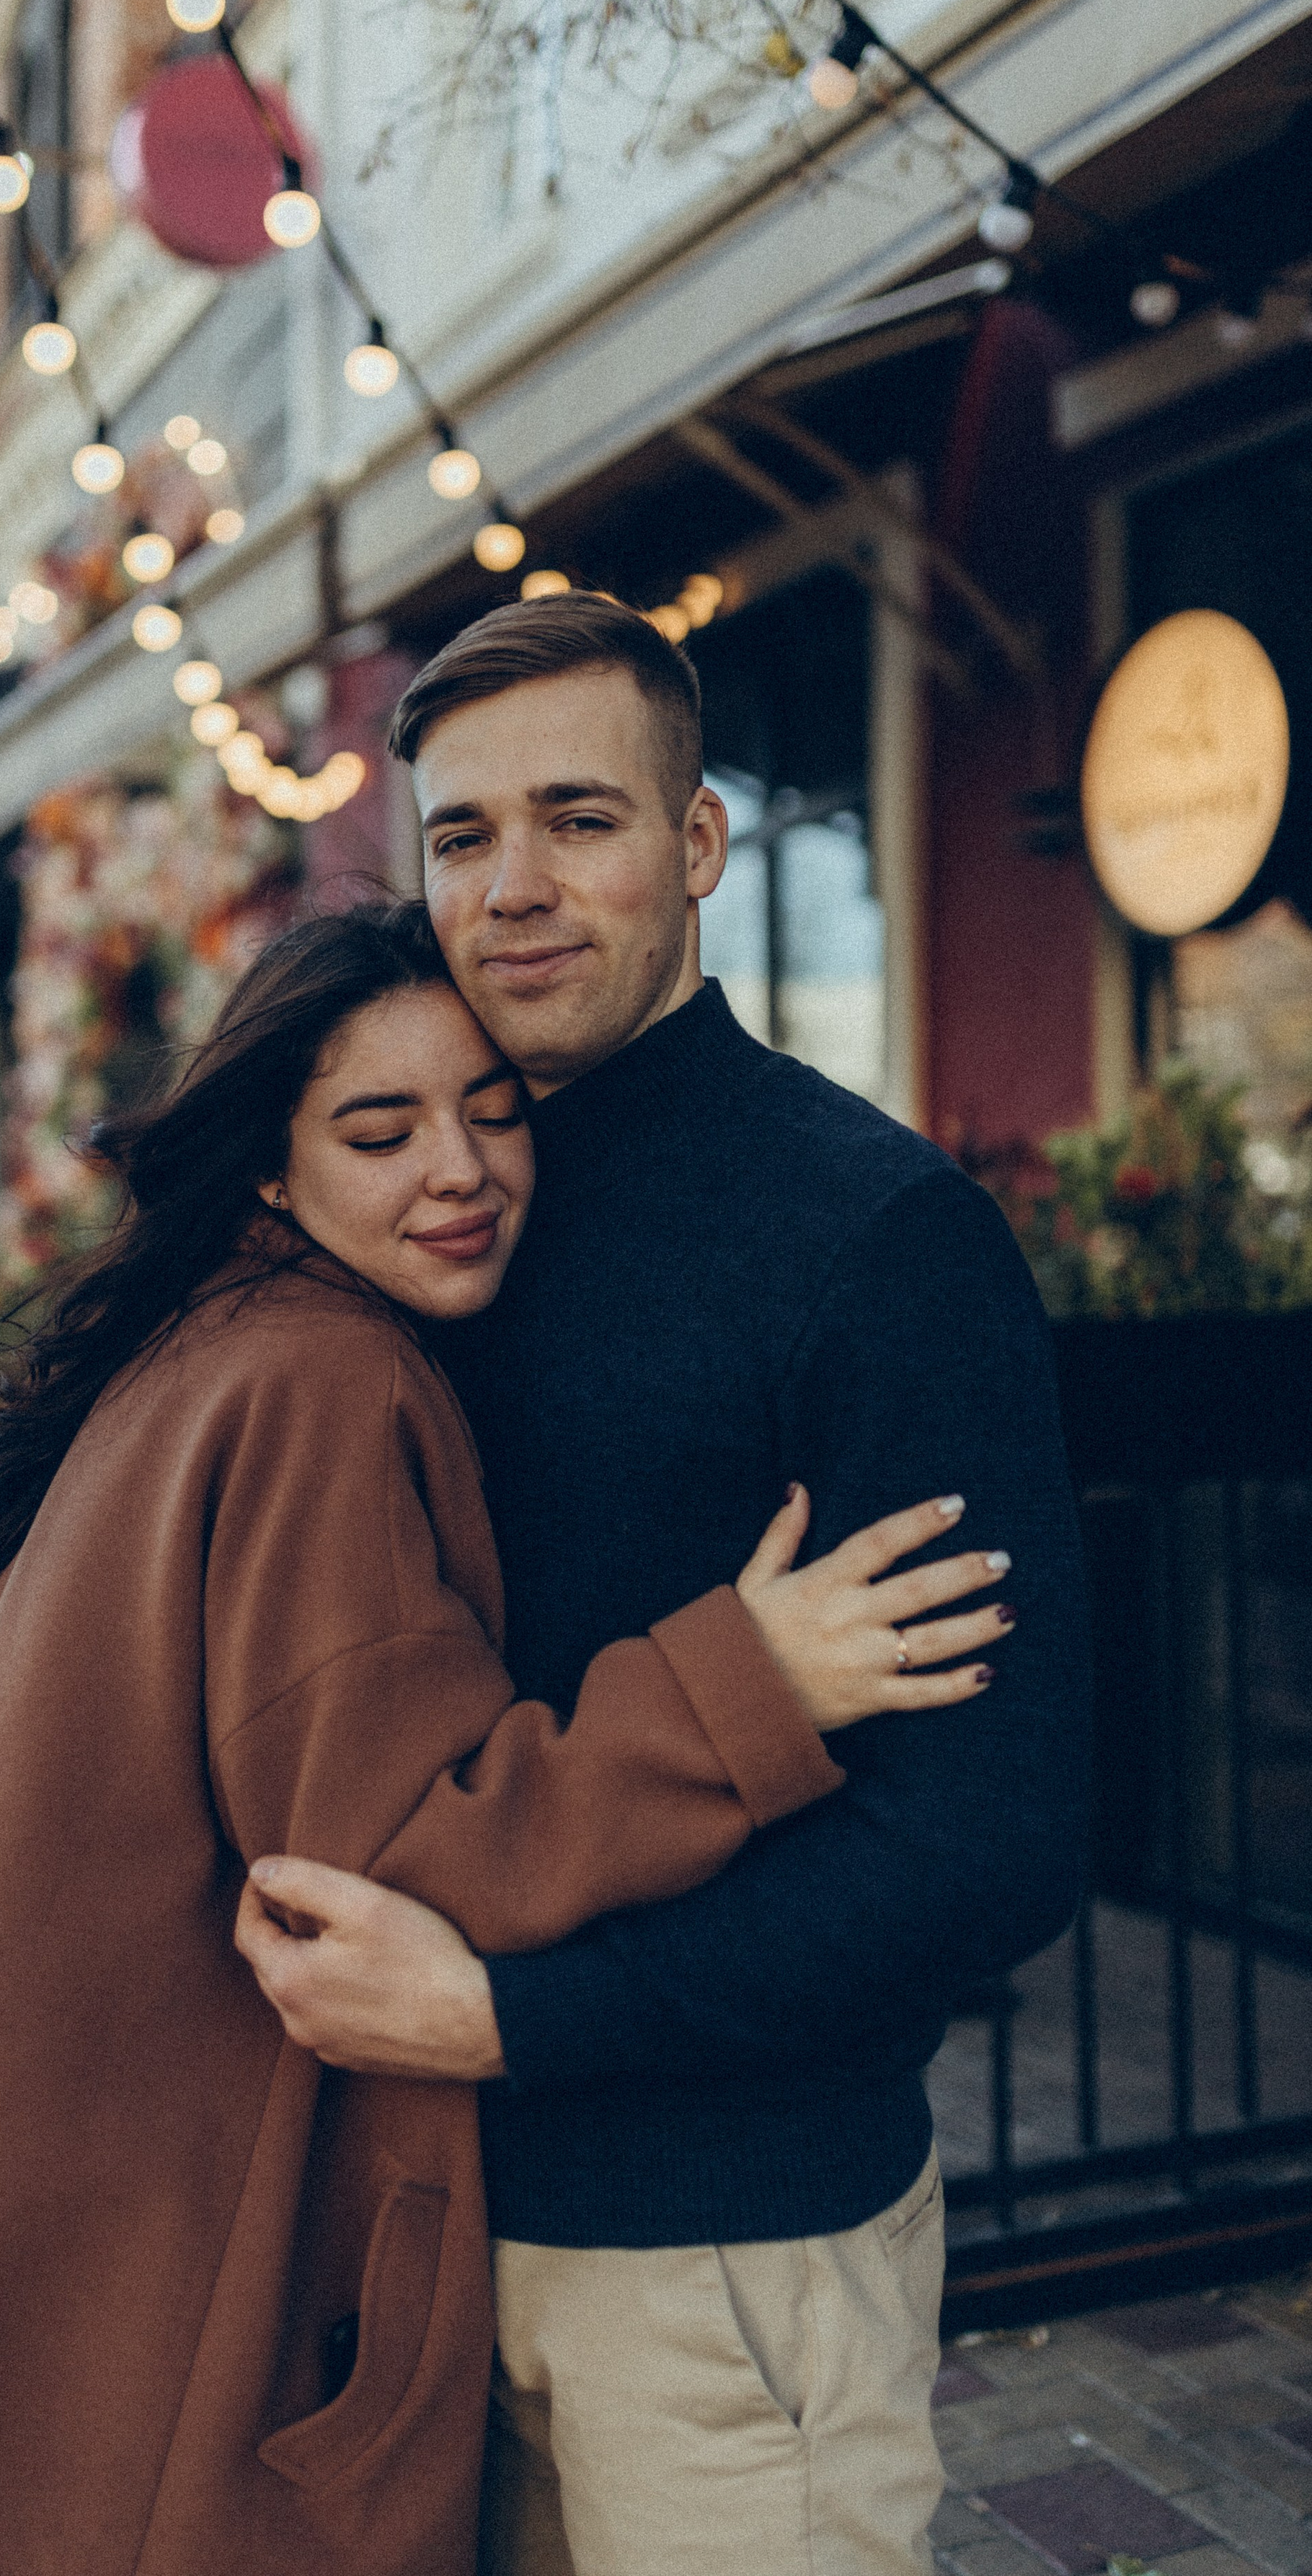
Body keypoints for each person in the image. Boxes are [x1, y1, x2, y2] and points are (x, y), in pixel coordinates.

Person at [0, 905, 1011, 2576]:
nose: (457, 1168)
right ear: (271, 1166)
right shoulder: (324, 1377)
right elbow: (403, 1851)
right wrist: (748, 1678)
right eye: (377, 1129)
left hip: (55, 2216)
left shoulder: (210, 1343)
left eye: (489, 1108)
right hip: (154, 2247)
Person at [234, 595, 1091, 2576]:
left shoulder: (874, 1239)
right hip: (421, 2231)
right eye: (462, 838)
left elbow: (993, 1846)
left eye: (579, 821)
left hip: (731, 2253)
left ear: (697, 848)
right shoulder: (425, 1206)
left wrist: (518, 2017)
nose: (514, 888)